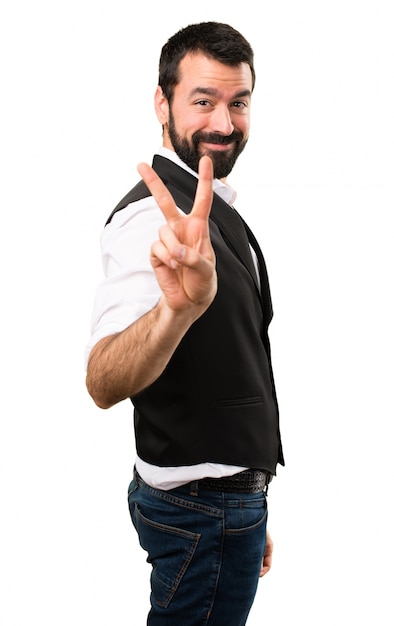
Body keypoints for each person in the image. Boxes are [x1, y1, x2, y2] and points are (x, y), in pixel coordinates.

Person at [85, 21, 284, 626]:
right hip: (204, 509)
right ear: (162, 102)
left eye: (238, 102)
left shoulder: (216, 203)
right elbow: (102, 381)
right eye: (203, 101)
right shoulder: (149, 221)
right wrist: (178, 306)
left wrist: (250, 503)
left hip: (220, 508)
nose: (224, 124)